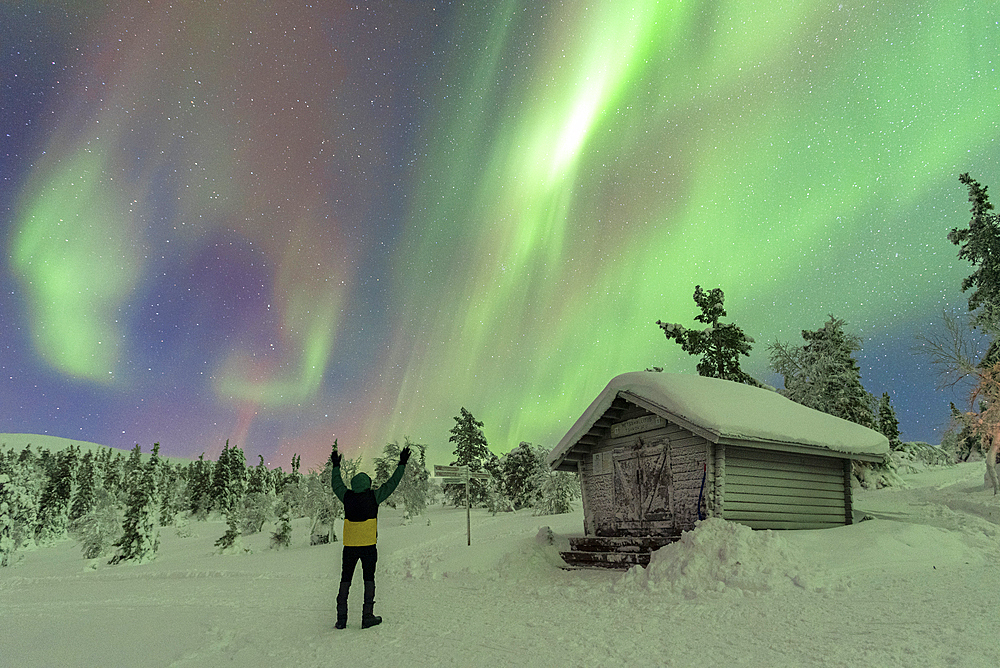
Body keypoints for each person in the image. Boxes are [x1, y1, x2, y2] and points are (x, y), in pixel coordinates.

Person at [330, 444, 410, 629]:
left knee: (345, 580)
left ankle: (341, 619)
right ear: (367, 484)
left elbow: (336, 484)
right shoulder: (374, 497)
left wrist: (335, 466)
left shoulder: (347, 497)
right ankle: (367, 616)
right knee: (369, 579)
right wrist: (402, 463)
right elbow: (392, 483)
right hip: (368, 546)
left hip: (349, 546)